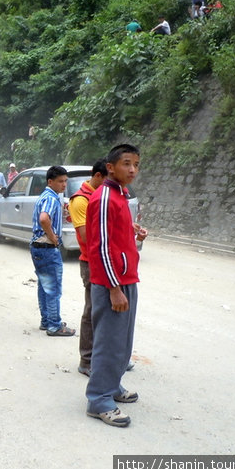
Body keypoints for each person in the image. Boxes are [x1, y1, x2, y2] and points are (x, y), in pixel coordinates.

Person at [85, 144, 148, 428]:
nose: (132, 169)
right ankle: (98, 399)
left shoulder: (121, 195)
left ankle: (112, 386)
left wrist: (137, 237)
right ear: (110, 167)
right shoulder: (103, 198)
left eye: (135, 164)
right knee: (108, 343)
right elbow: (99, 248)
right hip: (112, 284)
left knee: (122, 342)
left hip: (127, 279)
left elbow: (118, 240)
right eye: (126, 163)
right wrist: (113, 288)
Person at [68, 159, 108, 376]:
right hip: (92, 261)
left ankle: (108, 357)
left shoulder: (103, 197)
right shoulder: (80, 201)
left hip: (106, 260)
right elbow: (85, 236)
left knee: (109, 312)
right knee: (92, 311)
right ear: (99, 176)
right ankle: (87, 360)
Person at [30, 166, 75, 337]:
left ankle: (47, 321)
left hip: (37, 247)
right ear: (50, 182)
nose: (64, 185)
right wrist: (53, 237)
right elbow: (43, 218)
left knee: (44, 285)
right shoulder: (50, 198)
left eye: (65, 181)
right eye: (60, 181)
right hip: (47, 247)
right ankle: (55, 326)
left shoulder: (46, 196)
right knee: (53, 288)